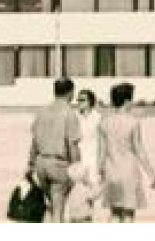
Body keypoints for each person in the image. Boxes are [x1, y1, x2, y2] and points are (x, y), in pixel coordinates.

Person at [98, 82, 155, 223]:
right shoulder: (133, 122)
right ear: (127, 101)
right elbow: (139, 150)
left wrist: (100, 173)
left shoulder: (104, 123)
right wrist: (151, 173)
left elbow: (101, 152)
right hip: (129, 171)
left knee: (114, 213)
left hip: (111, 171)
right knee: (128, 214)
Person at [26, 77, 82, 222]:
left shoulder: (42, 112)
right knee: (58, 209)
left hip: (41, 163)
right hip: (59, 165)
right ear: (70, 93)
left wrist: (30, 164)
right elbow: (72, 144)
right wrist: (77, 168)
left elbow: (34, 141)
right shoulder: (69, 114)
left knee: (50, 205)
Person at [67, 89, 104, 222]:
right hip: (78, 160)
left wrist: (102, 163)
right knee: (76, 195)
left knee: (91, 194)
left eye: (83, 99)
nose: (79, 102)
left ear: (90, 101)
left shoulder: (98, 118)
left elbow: (102, 142)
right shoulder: (74, 117)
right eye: (78, 100)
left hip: (93, 160)